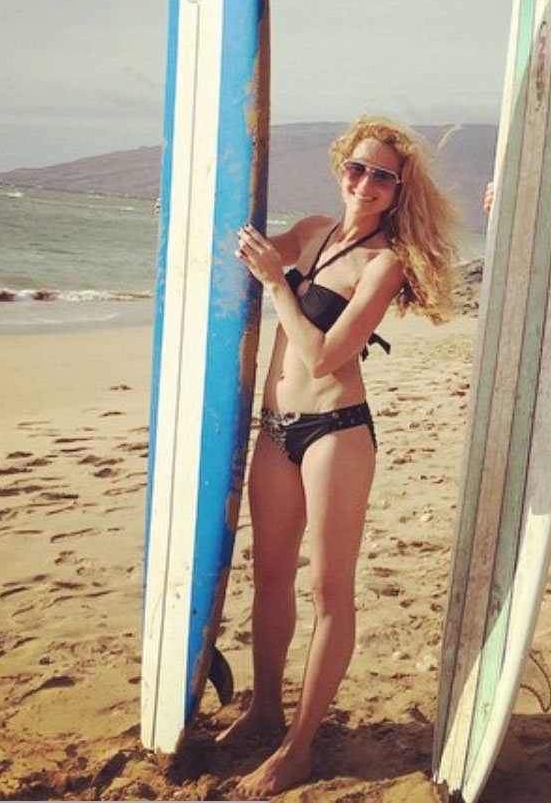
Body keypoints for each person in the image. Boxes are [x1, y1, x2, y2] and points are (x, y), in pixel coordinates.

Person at [223, 116, 459, 798]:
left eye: (382, 175)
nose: (366, 182)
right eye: (357, 168)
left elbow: (327, 354)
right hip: (276, 428)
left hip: (335, 431)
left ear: (397, 189)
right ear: (341, 167)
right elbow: (246, 250)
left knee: (330, 590)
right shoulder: (313, 229)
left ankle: (299, 747)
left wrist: (278, 285)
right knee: (269, 575)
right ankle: (266, 709)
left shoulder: (386, 264)